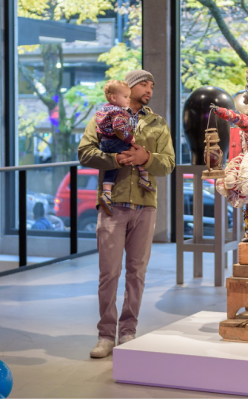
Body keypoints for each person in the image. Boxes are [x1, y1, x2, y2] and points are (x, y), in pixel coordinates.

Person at [78, 70, 175, 358]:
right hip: (112, 205)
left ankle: (128, 330)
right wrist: (115, 158)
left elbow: (168, 164)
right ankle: (106, 335)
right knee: (109, 273)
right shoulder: (103, 116)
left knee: (137, 273)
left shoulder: (158, 124)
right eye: (145, 83)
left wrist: (147, 158)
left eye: (153, 85)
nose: (150, 89)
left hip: (145, 206)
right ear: (130, 87)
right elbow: (84, 152)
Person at [95, 80, 155, 216]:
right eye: (125, 96)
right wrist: (129, 138)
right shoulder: (119, 112)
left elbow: (99, 127)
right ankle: (144, 177)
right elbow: (119, 129)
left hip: (105, 143)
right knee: (136, 151)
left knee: (110, 170)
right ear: (114, 98)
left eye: (151, 87)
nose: (127, 99)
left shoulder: (103, 109)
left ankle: (106, 193)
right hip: (117, 142)